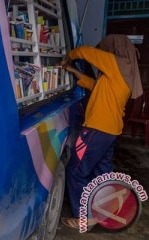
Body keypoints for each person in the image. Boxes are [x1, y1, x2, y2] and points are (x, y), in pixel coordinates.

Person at [60, 34, 143, 229]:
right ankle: (104, 211)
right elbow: (94, 86)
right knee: (101, 173)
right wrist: (72, 70)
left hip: (96, 130)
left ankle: (85, 217)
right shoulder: (124, 71)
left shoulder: (117, 63)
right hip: (110, 132)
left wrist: (69, 56)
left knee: (75, 170)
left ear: (115, 48)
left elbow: (87, 52)